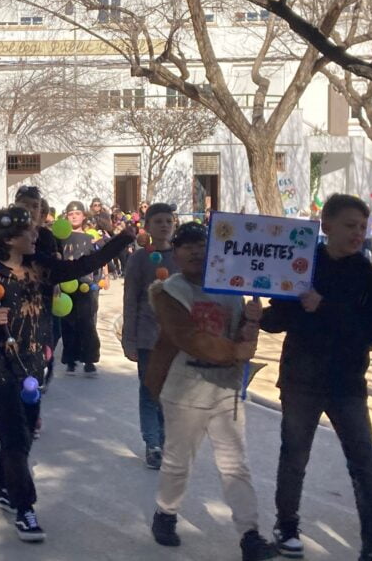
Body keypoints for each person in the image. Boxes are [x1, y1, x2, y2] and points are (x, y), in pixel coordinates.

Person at [0, 206, 135, 542]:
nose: (36, 235)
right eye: (29, 231)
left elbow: (83, 265)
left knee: (22, 435)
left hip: (37, 365)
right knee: (15, 436)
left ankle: (2, 486)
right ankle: (25, 509)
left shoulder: (42, 267)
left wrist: (121, 240)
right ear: (9, 238)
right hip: (5, 366)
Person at [260, 194, 372, 561]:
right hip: (301, 379)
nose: (356, 234)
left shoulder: (366, 273)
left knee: (365, 465)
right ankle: (286, 527)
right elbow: (279, 318)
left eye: (361, 227)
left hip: (347, 383)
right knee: (294, 457)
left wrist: (326, 307)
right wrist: (258, 311)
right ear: (327, 225)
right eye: (350, 226)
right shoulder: (303, 263)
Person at [146, 222, 277, 561]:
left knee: (235, 466)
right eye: (186, 245)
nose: (194, 251)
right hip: (184, 388)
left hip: (226, 390)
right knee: (178, 462)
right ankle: (165, 512)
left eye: (201, 244)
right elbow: (189, 338)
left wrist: (252, 321)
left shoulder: (231, 287)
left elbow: (243, 341)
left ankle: (249, 535)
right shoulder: (168, 291)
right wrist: (236, 351)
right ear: (176, 253)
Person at [121, 202, 178, 469]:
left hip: (178, 339)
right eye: (158, 221)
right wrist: (129, 339)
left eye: (168, 220)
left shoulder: (183, 256)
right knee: (149, 391)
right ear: (147, 226)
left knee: (172, 393)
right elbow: (131, 298)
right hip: (147, 336)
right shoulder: (139, 258)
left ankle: (168, 441)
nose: (164, 225)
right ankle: (152, 443)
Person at [59, 201, 103, 376]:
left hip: (86, 285)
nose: (74, 216)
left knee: (87, 323)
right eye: (71, 214)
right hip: (66, 286)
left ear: (84, 216)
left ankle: (89, 360)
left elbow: (100, 261)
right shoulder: (60, 240)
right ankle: (70, 359)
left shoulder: (90, 239)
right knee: (68, 324)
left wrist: (99, 280)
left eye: (77, 213)